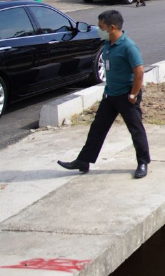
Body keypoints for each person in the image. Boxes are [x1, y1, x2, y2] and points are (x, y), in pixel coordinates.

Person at [58, 10, 149, 179]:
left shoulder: (128, 46)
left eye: (101, 27)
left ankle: (143, 162)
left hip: (126, 95)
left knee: (135, 129)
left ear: (112, 27)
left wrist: (133, 95)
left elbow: (139, 72)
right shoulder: (108, 44)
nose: (99, 30)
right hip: (110, 95)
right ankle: (83, 161)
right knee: (97, 128)